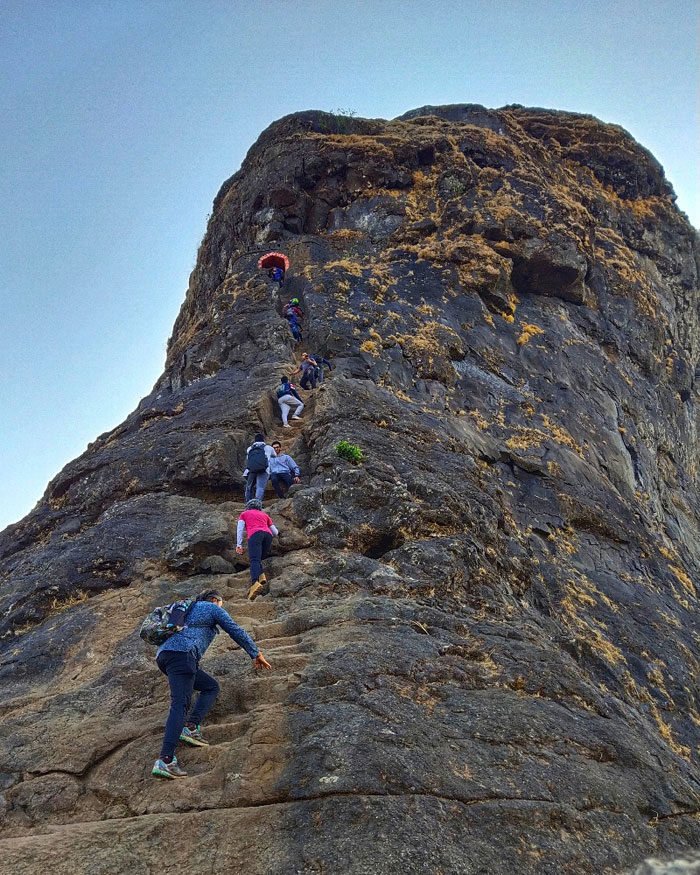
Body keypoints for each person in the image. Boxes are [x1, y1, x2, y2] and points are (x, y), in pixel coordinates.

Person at [152, 588, 272, 779]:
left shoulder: (188, 609)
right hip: (182, 656)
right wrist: (255, 652)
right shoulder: (211, 607)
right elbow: (235, 629)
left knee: (210, 687)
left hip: (165, 657)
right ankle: (165, 760)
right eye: (221, 603)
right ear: (216, 600)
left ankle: (191, 727)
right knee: (179, 705)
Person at [236, 499, 278, 600]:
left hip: (255, 534)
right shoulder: (265, 515)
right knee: (259, 558)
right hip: (268, 535)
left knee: (254, 560)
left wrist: (239, 544)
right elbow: (275, 532)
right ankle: (261, 575)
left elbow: (240, 529)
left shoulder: (244, 514)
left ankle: (255, 583)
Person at [244, 433, 276, 502]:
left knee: (248, 487)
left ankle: (248, 503)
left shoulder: (249, 448)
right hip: (264, 470)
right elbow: (274, 455)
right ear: (263, 439)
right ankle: (257, 503)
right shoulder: (269, 448)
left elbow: (248, 459)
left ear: (254, 440)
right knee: (260, 487)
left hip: (251, 470)